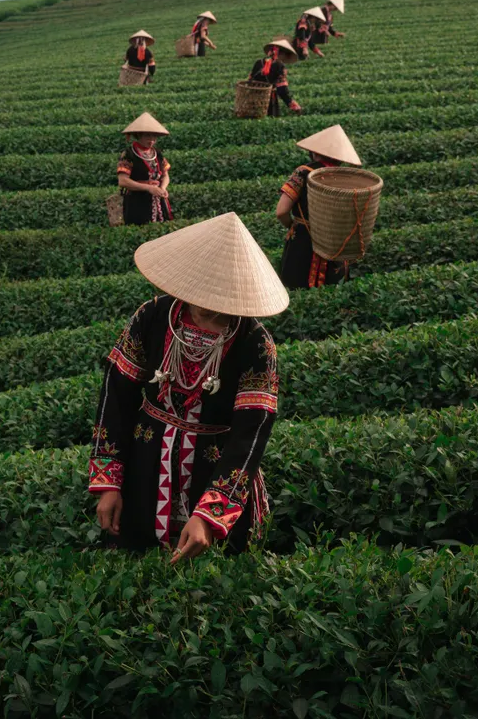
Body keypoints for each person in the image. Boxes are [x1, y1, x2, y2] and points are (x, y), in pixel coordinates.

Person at [89, 211, 289, 562]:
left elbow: (250, 435)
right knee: (138, 561)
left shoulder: (256, 344)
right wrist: (110, 482)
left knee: (214, 570)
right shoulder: (151, 317)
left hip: (213, 466)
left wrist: (209, 514)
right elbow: (116, 395)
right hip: (146, 460)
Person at [276, 125, 361, 289]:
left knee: (296, 288)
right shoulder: (347, 179)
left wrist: (292, 226)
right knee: (330, 291)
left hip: (304, 240)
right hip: (335, 242)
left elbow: (281, 212)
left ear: (315, 152)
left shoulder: (303, 172)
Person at [117, 112, 173, 225]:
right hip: (137, 201)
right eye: (148, 136)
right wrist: (148, 188)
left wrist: (162, 188)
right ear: (139, 135)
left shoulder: (157, 153)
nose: (151, 140)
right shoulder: (129, 154)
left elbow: (165, 175)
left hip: (158, 200)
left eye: (154, 136)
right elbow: (123, 181)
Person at [248, 37, 302, 116]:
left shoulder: (258, 62)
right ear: (281, 53)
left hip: (254, 99)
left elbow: (250, 80)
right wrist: (292, 104)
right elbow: (282, 90)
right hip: (268, 100)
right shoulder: (279, 66)